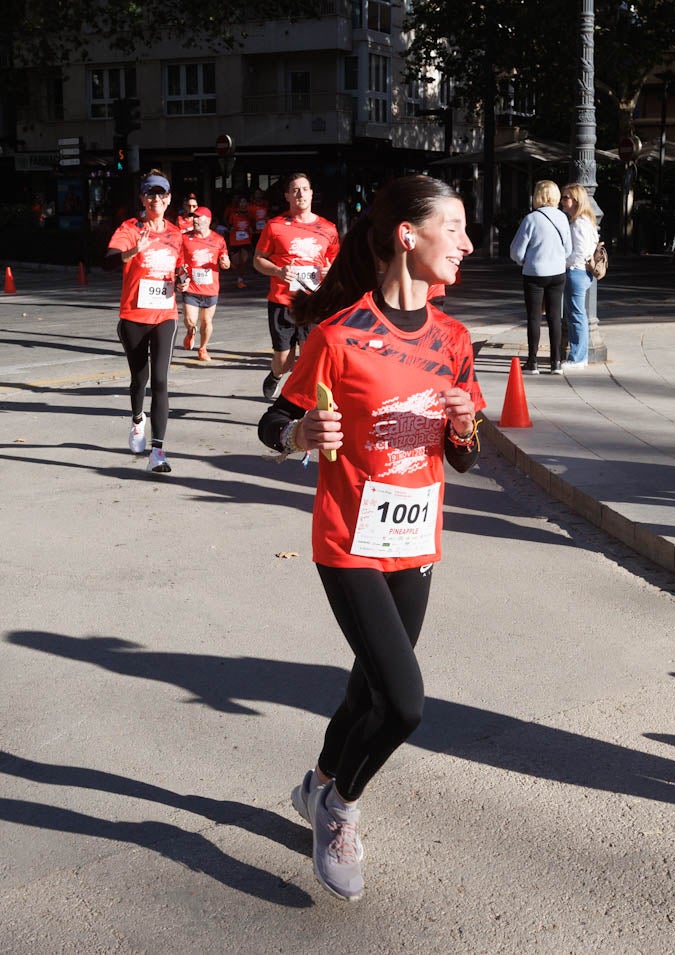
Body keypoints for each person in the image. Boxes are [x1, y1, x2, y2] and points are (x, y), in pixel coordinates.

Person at [256, 174, 483, 902]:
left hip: (415, 540)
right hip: (349, 539)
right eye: (456, 227)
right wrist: (298, 433)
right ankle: (340, 807)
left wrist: (464, 424)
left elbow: (465, 455)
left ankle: (316, 781)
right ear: (408, 235)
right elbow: (273, 424)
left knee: (368, 691)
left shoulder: (454, 338)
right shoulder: (339, 333)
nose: (468, 243)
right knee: (406, 701)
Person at [105, 171, 188, 474]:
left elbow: (179, 268)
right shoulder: (130, 229)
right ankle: (137, 420)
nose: (156, 199)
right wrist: (134, 250)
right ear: (143, 198)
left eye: (162, 194)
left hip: (165, 315)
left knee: (162, 381)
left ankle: (158, 451)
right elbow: (109, 261)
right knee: (139, 379)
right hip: (133, 316)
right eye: (150, 194)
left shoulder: (176, 234)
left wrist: (182, 279)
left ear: (168, 199)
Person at [253, 172, 341, 400]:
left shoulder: (328, 228)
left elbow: (336, 262)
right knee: (284, 360)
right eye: (295, 190)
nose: (300, 193)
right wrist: (277, 271)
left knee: (311, 354)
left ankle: (300, 398)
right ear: (287, 196)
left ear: (311, 194)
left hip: (313, 301)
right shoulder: (275, 226)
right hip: (283, 300)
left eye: (304, 189)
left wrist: (330, 272)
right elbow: (258, 260)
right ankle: (275, 374)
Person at [508, 180, 572, 373]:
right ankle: (556, 362)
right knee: (555, 317)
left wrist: (525, 261)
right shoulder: (562, 217)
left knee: (534, 318)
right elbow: (568, 250)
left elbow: (516, 251)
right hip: (558, 273)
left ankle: (532, 361)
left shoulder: (531, 219)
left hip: (535, 273)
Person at [180, 206, 230, 363]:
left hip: (210, 288)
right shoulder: (185, 238)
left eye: (198, 217)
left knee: (207, 321)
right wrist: (181, 276)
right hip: (191, 287)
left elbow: (226, 264)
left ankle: (203, 348)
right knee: (190, 320)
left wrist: (225, 262)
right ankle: (190, 332)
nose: (194, 220)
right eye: (193, 217)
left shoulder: (218, 240)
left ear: (207, 220)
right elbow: (178, 261)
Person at [560, 182, 601, 369]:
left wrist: (562, 262)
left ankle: (578, 358)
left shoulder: (579, 223)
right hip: (580, 272)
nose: (562, 201)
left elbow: (580, 253)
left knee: (576, 315)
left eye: (565, 197)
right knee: (577, 314)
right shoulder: (584, 221)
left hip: (576, 271)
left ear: (576, 200)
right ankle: (578, 356)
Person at [225, 195, 255, 289]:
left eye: (245, 202)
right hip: (235, 241)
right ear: (239, 204)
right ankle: (235, 269)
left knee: (244, 260)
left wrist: (251, 229)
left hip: (246, 240)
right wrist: (231, 228)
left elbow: (253, 224)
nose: (243, 204)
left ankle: (240, 280)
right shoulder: (234, 214)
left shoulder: (250, 214)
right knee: (236, 262)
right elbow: (229, 224)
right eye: (241, 202)